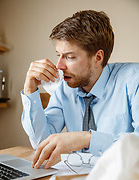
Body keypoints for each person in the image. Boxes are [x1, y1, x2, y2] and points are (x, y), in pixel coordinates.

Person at [21, 10, 139, 169]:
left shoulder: (133, 80)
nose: (59, 66)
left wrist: (86, 139)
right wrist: (30, 90)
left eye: (69, 57)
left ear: (98, 57)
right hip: (76, 179)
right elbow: (42, 142)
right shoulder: (65, 88)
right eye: (59, 55)